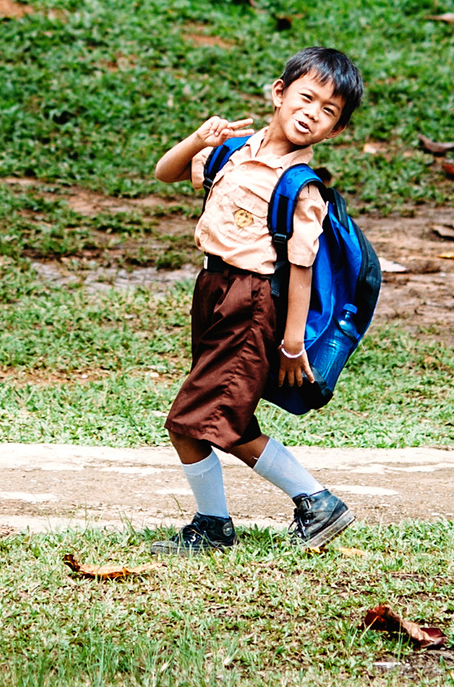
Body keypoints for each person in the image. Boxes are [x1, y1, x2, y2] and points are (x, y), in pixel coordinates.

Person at [148, 45, 364, 554]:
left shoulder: (301, 188)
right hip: (213, 290)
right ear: (279, 92)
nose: (312, 113)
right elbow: (166, 172)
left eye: (329, 111)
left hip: (252, 303)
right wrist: (199, 138)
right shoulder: (233, 150)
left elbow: (303, 268)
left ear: (336, 130)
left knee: (190, 420)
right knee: (229, 418)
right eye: (307, 98)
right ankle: (305, 506)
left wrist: (292, 343)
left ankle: (236, 519)